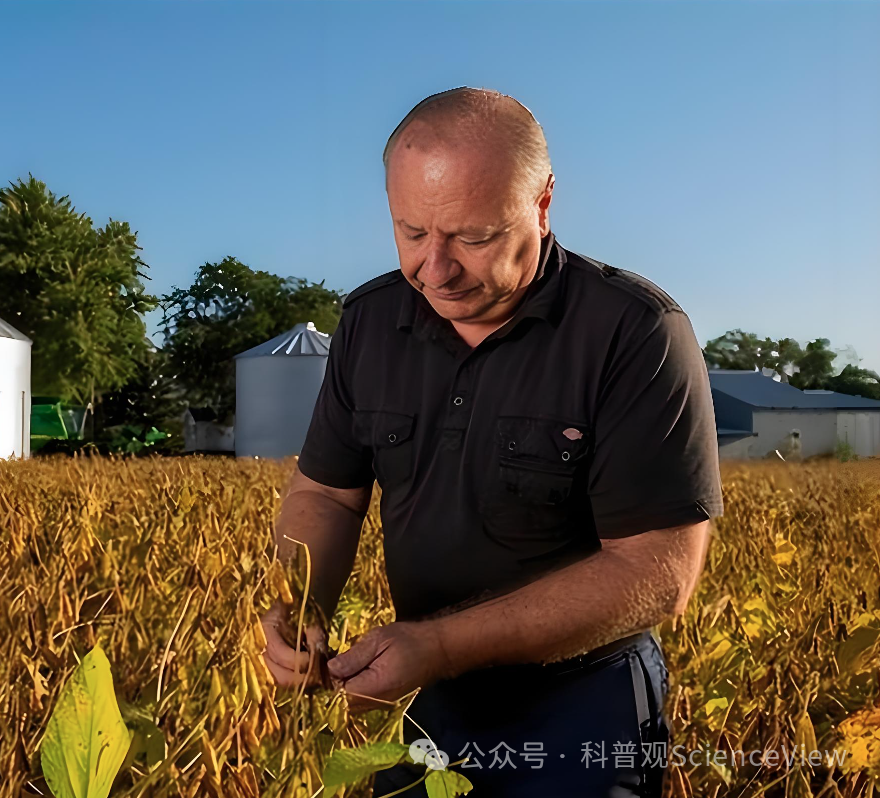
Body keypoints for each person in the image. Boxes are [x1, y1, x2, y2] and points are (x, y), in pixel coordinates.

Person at [260, 86, 723, 797]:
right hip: (423, 693)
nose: (435, 270)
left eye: (473, 239)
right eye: (411, 232)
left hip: (582, 696)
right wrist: (299, 607)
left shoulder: (633, 333)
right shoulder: (370, 321)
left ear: (541, 204)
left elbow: (658, 571)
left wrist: (439, 645)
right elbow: (326, 492)